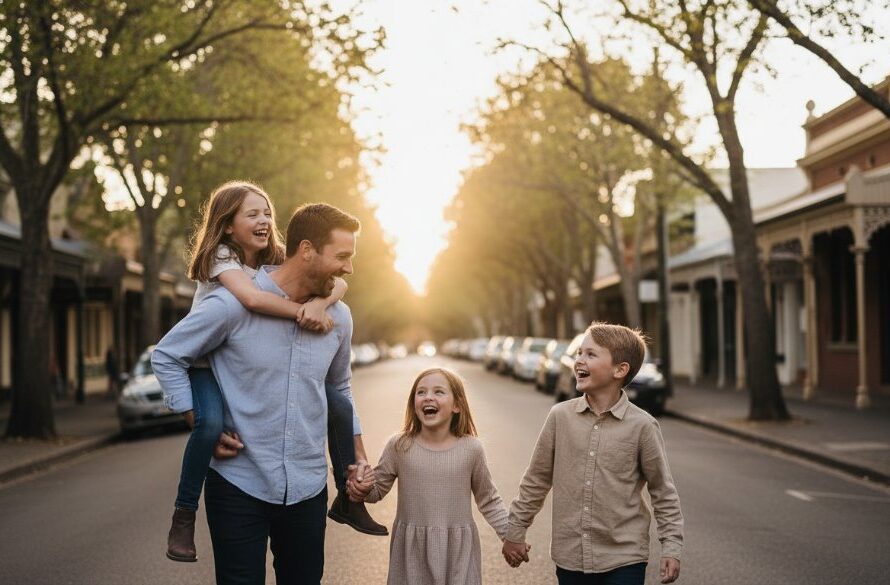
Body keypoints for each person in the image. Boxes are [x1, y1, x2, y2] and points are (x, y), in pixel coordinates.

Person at [152, 199, 376, 585]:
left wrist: (358, 458)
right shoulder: (232, 304)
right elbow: (168, 355)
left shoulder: (338, 316)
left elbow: (339, 387)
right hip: (240, 483)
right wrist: (197, 418)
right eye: (342, 256)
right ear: (306, 250)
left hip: (307, 486)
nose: (349, 269)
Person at [501, 322, 684, 585]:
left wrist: (671, 547)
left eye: (591, 354)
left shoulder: (642, 426)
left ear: (620, 369)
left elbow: (663, 492)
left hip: (624, 559)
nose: (579, 361)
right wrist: (516, 530)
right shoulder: (559, 417)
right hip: (570, 558)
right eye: (579, 353)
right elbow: (536, 479)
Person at [347, 367, 524, 585]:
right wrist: (361, 486)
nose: (428, 397)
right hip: (412, 552)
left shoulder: (471, 449)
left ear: (457, 405)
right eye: (421, 392)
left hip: (458, 551)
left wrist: (510, 535)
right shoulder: (399, 446)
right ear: (414, 403)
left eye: (439, 392)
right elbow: (376, 491)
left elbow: (489, 500)